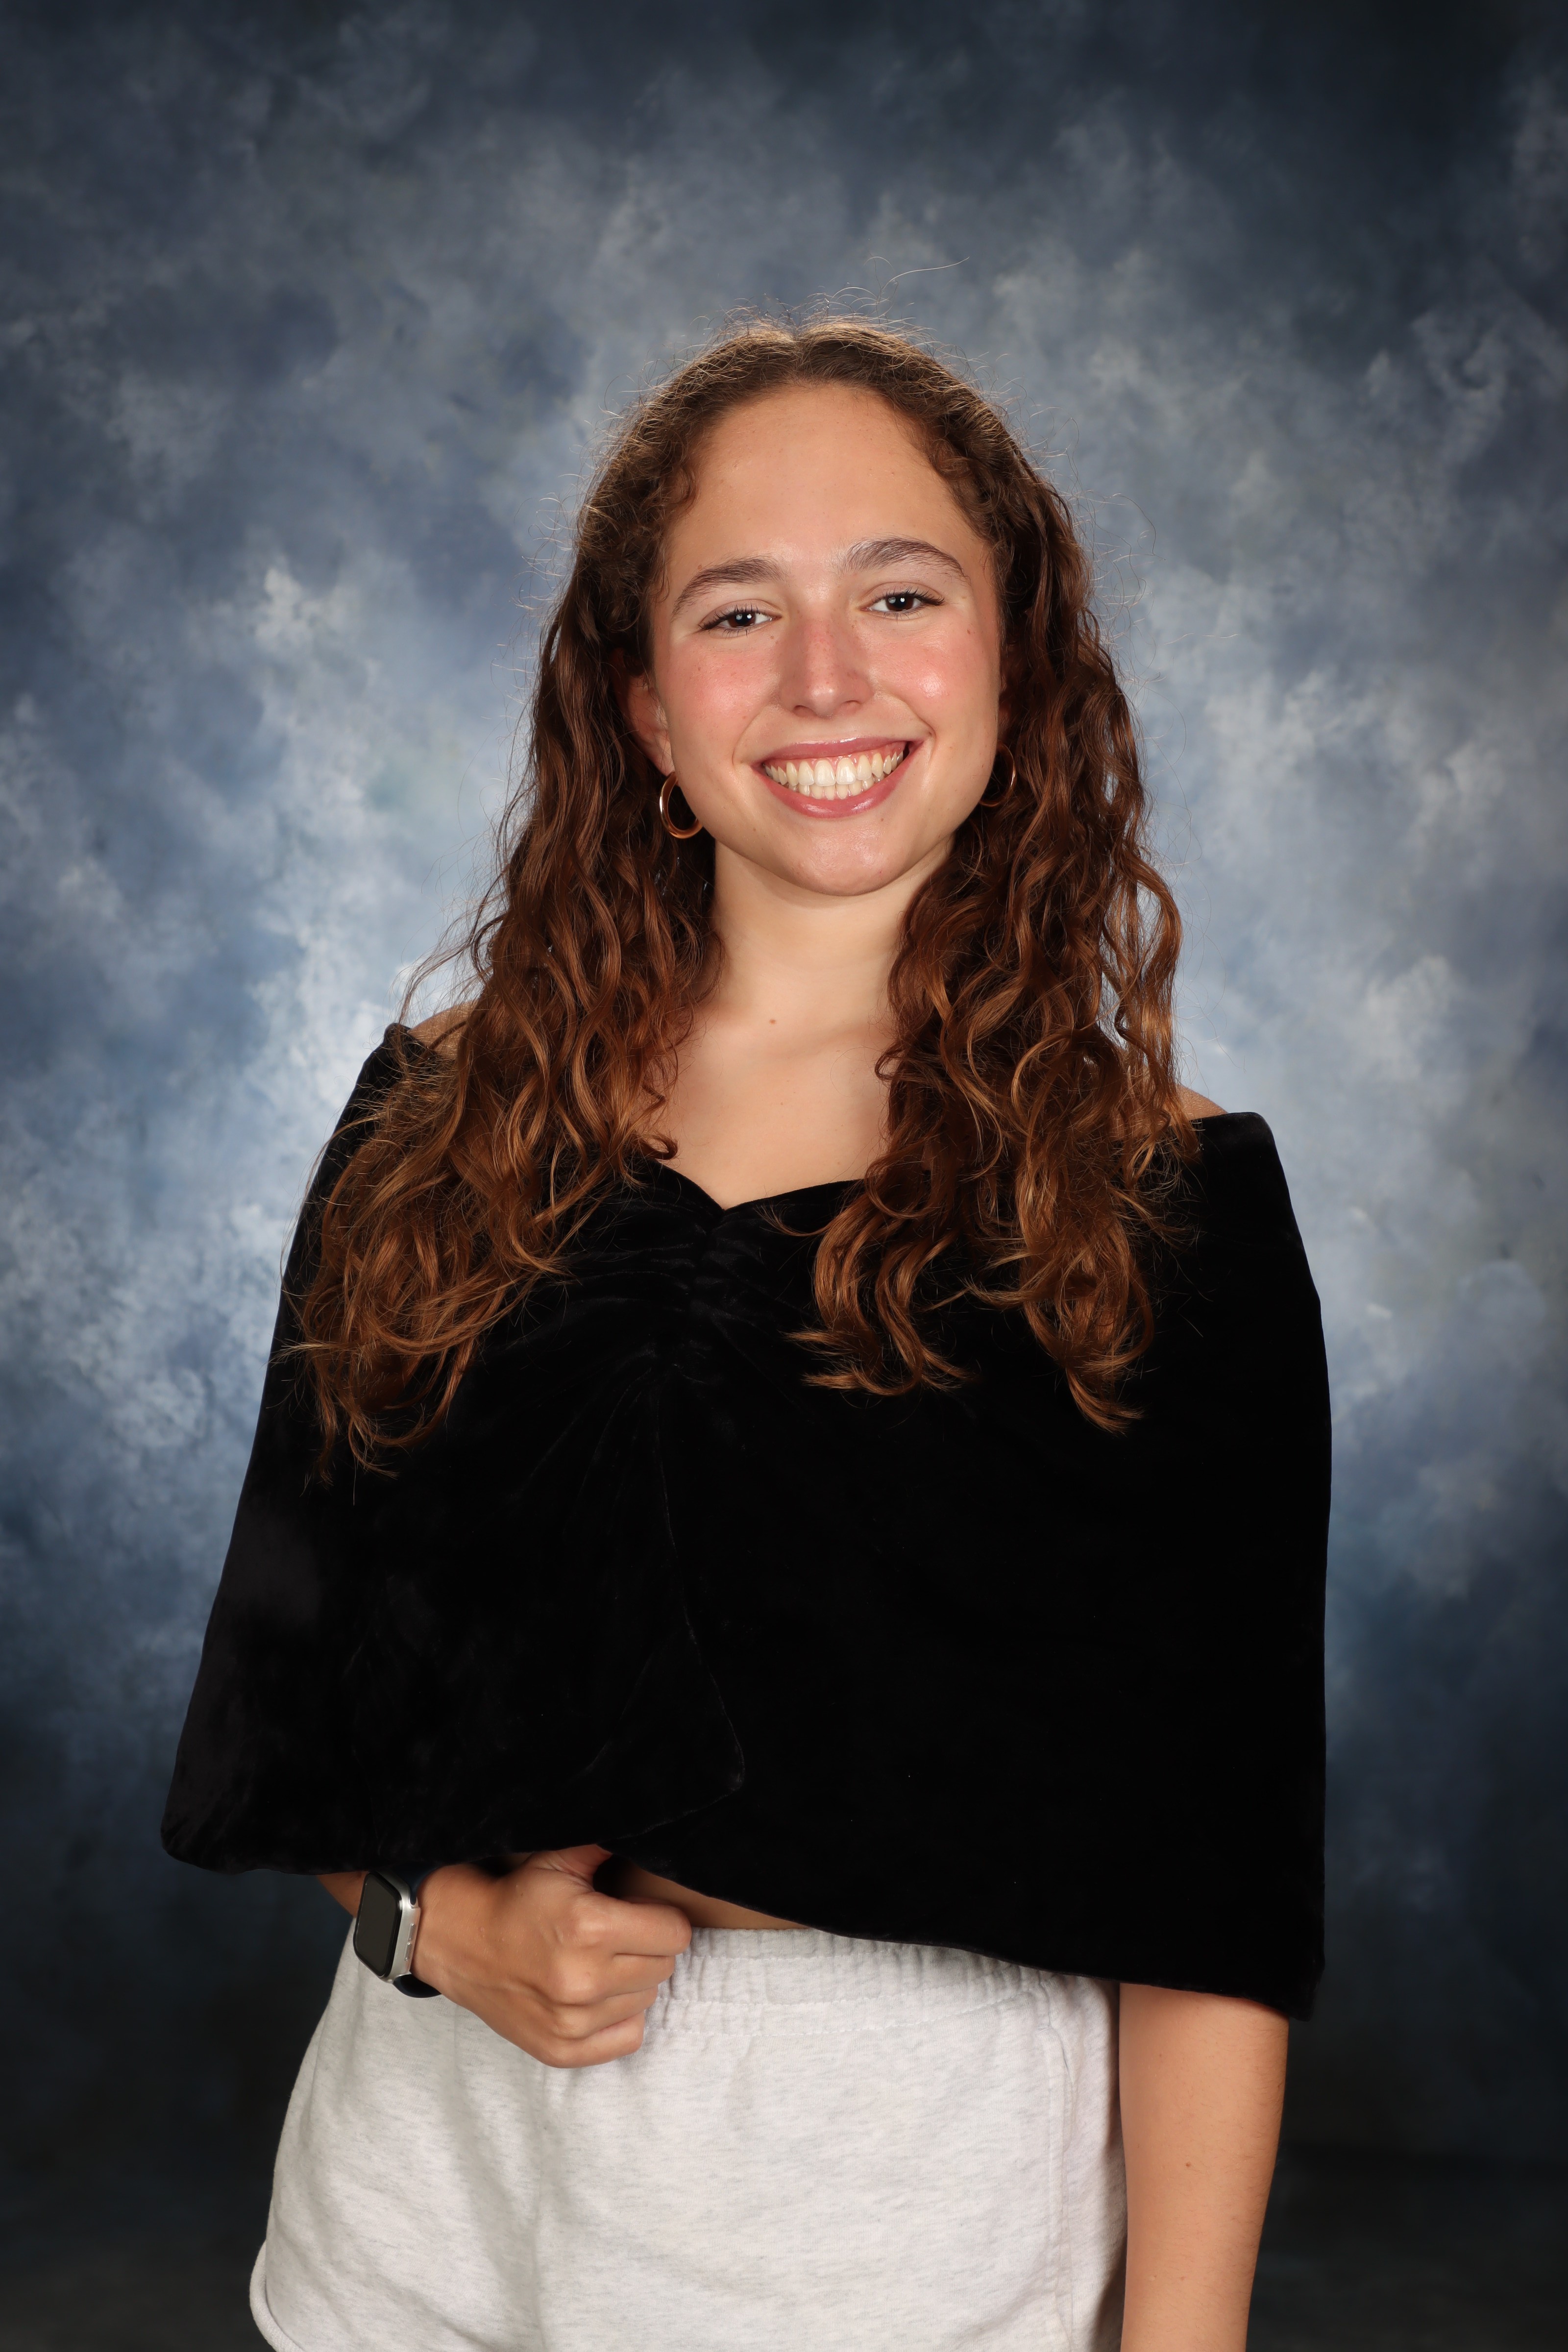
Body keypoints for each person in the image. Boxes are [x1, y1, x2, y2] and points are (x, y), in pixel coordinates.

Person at [163, 317, 1329, 2352]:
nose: (824, 677)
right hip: (423, 2202)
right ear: (641, 706)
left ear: (1017, 661)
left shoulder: (1158, 1199)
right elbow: (299, 1718)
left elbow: (1212, 1894)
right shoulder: (441, 1117)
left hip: (898, 2232)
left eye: (901, 593)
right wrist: (446, 1931)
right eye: (736, 611)